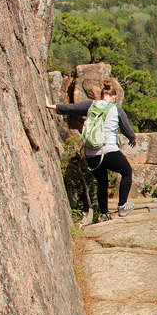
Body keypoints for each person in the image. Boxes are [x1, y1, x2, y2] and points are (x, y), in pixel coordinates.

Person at [46, 79, 137, 221]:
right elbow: (128, 131)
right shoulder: (116, 109)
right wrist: (132, 139)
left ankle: (104, 214)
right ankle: (122, 205)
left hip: (91, 154)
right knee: (126, 172)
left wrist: (50, 106)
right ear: (113, 96)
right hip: (109, 151)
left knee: (102, 182)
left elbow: (71, 108)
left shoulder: (90, 105)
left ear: (102, 95)